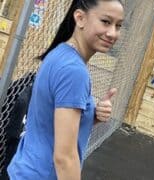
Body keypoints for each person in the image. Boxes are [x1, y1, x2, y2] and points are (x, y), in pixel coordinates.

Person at [7, 0, 124, 179]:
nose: (112, 33)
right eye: (106, 22)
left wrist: (91, 114)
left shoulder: (59, 53)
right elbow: (64, 158)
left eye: (118, 25)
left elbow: (51, 120)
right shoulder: (74, 71)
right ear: (80, 18)